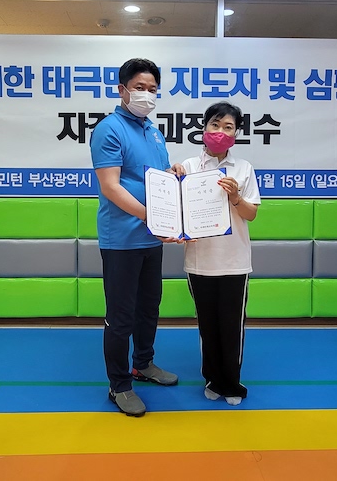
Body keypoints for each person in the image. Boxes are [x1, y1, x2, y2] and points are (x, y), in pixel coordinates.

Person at [90, 57, 185, 417]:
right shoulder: (109, 129)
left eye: (152, 89)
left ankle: (143, 364)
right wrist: (152, 216)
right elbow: (111, 186)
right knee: (121, 316)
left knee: (149, 308)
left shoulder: (153, 131)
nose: (147, 94)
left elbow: (155, 177)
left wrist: (172, 172)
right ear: (122, 89)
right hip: (121, 240)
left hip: (152, 239)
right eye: (140, 87)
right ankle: (119, 385)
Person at [181, 101, 261, 406]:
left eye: (228, 127)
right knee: (207, 325)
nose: (220, 132)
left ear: (236, 133)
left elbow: (251, 214)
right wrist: (172, 179)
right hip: (199, 261)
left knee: (231, 326)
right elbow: (177, 212)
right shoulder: (188, 167)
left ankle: (232, 382)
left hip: (234, 261)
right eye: (215, 124)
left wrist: (235, 196)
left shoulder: (243, 168)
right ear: (204, 128)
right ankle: (212, 379)